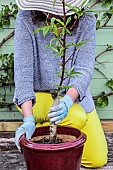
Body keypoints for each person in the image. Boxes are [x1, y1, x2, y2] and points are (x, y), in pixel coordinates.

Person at [14, 0, 108, 168]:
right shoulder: (26, 17)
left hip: (73, 98)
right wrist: (28, 118)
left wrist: (68, 100)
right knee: (77, 117)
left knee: (97, 159)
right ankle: (41, 130)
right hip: (37, 97)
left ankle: (45, 127)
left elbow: (84, 68)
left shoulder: (86, 18)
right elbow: (23, 72)